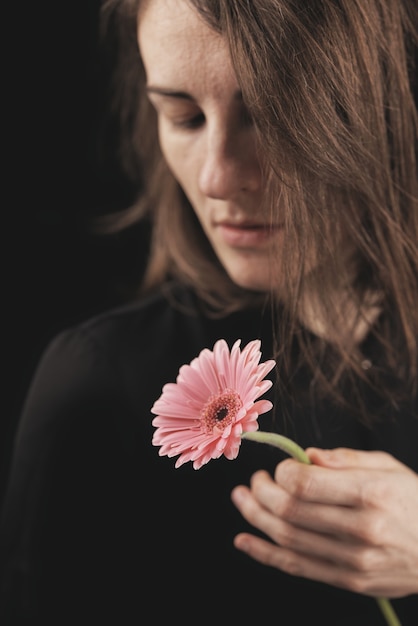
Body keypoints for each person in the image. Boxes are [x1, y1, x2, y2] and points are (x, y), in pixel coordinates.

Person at [1, 0, 418, 624]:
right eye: (184, 116)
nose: (219, 178)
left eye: (273, 116)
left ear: (384, 107)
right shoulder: (98, 382)